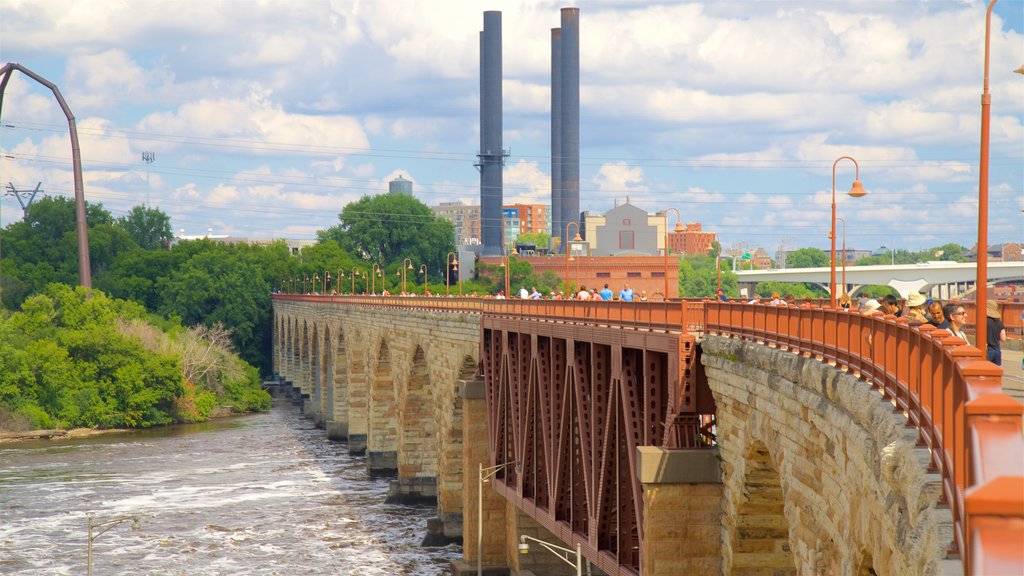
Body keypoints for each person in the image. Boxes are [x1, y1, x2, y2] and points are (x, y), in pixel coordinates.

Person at [986, 300, 1006, 365]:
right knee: (995, 372)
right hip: (997, 349)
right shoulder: (999, 322)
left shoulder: (984, 321)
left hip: (987, 349)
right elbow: (1003, 338)